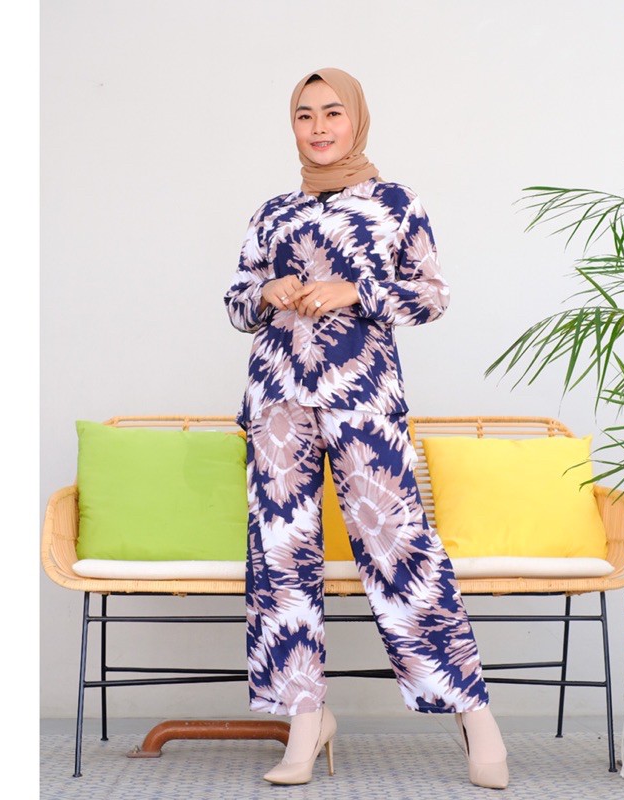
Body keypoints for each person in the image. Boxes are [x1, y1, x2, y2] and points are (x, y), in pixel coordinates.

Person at [223, 67, 508, 789]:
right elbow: (235, 301)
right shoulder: (272, 211)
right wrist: (267, 290)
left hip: (363, 395)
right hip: (278, 399)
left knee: (399, 546)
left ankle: (473, 712)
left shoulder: (395, 202)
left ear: (357, 119)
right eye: (304, 115)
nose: (318, 128)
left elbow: (431, 295)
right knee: (280, 555)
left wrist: (355, 290)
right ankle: (304, 719)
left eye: (332, 113)